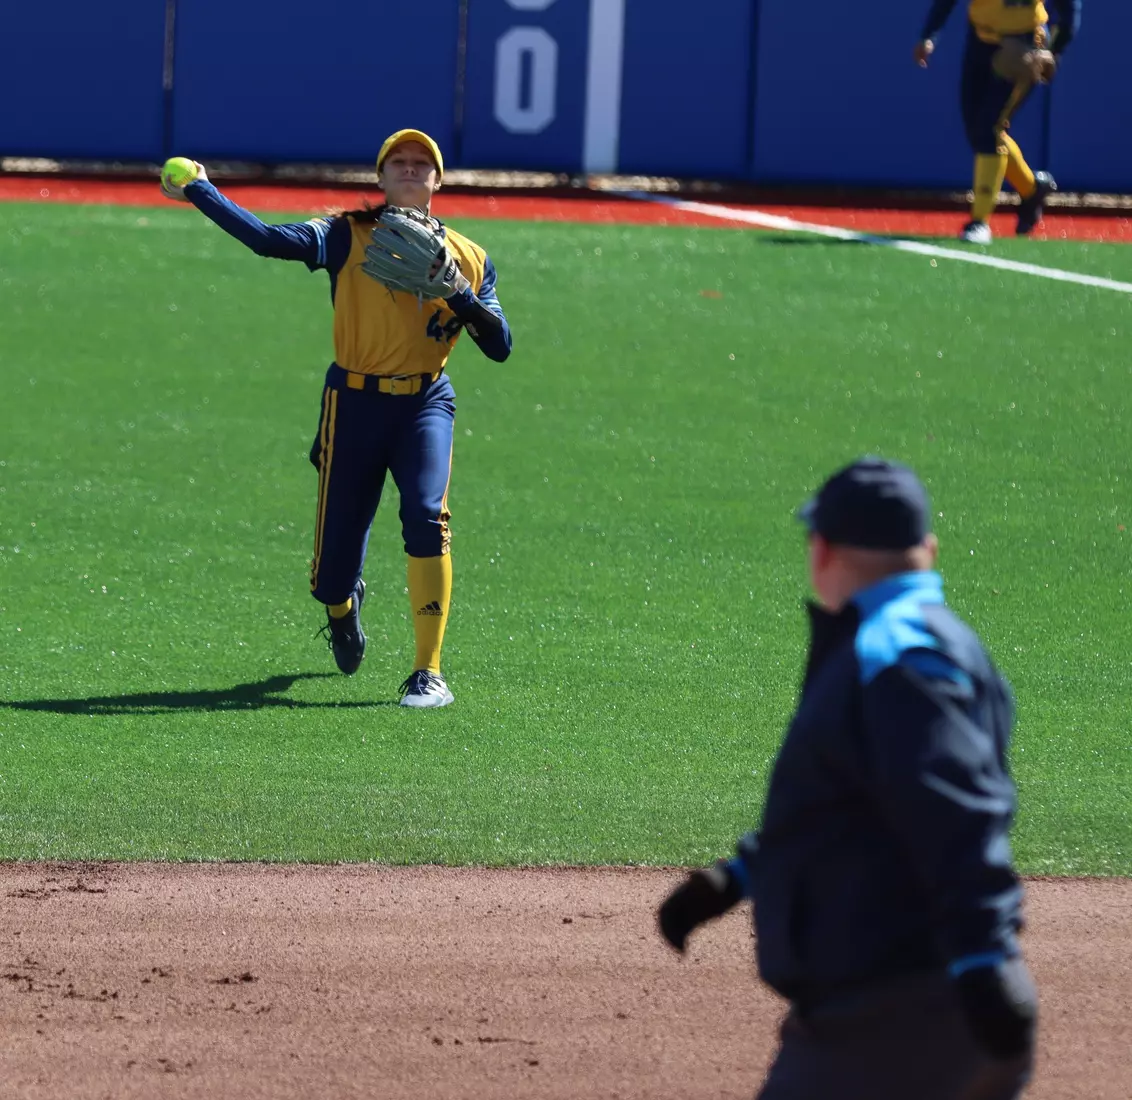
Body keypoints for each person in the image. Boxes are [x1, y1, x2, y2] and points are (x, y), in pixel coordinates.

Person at [657, 457, 1037, 1100]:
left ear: (823, 549)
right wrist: (741, 875)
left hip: (896, 1013)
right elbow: (857, 799)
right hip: (912, 999)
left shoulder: (898, 656)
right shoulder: (938, 642)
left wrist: (980, 959)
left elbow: (953, 809)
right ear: (929, 550)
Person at [160, 130, 512, 707]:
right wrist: (202, 190)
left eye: (421, 163)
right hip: (351, 404)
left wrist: (460, 296)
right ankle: (343, 608)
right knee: (331, 572)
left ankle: (428, 670)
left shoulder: (470, 259)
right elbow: (269, 241)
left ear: (438, 180)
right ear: (380, 177)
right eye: (396, 161)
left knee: (428, 517)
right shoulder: (347, 235)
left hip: (426, 402)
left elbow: (499, 347)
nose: (408, 169)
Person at [914, 0, 1082, 243]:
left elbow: (1070, 9)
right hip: (981, 40)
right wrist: (929, 35)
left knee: (988, 128)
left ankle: (979, 221)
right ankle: (1032, 189)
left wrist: (1053, 51)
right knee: (977, 128)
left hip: (1023, 46)